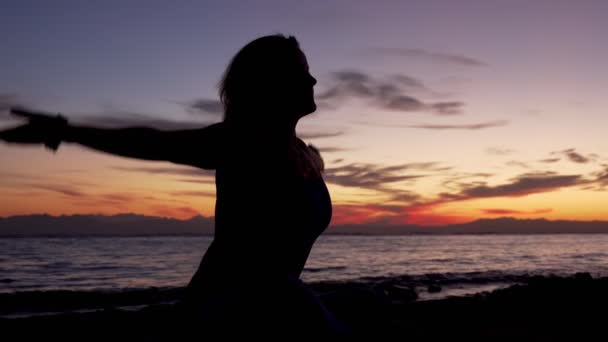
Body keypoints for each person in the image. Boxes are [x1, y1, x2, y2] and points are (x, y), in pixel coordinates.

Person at [1, 34, 347, 336]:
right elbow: (153, 142)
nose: (313, 80)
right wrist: (66, 131)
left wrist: (314, 162)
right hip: (229, 306)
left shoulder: (304, 155)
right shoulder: (240, 141)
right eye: (302, 72)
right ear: (271, 82)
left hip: (278, 304)